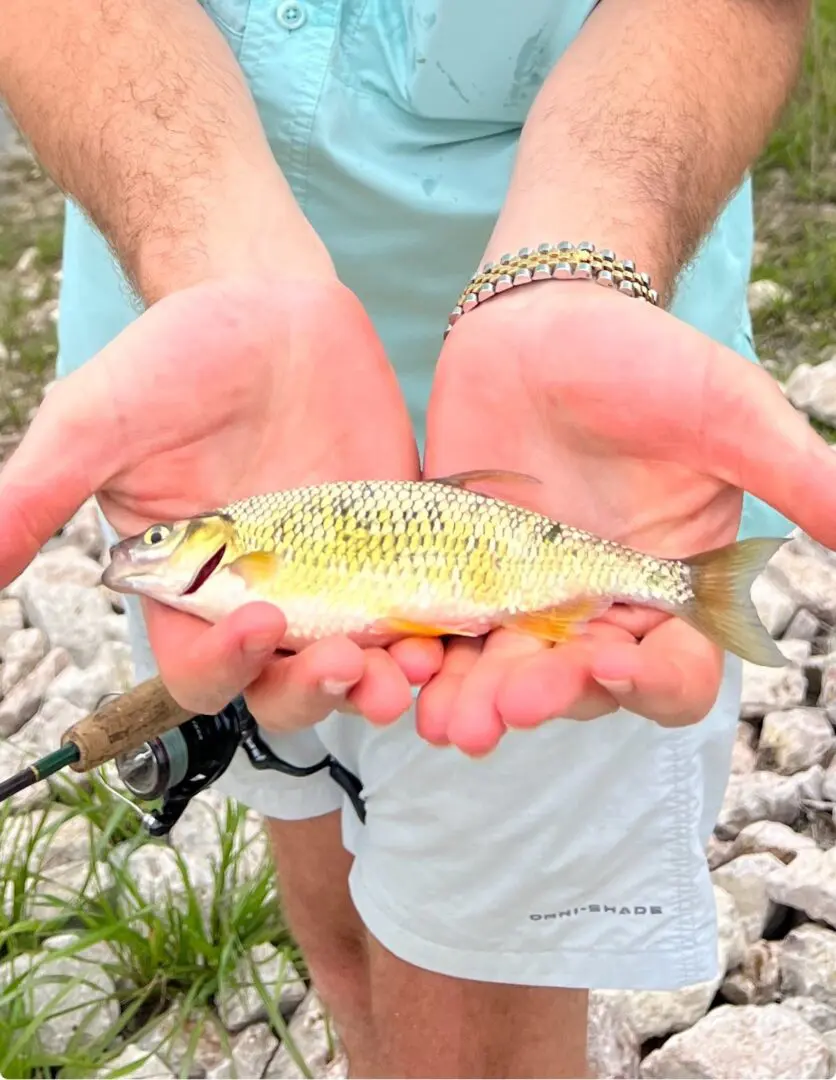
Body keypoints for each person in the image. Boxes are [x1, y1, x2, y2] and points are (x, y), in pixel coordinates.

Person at [0, 1, 829, 1076]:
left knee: (470, 1005)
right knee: (338, 920)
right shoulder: (203, 527)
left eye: (163, 556)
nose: (147, 564)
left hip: (589, 400)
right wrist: (213, 261)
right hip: (206, 382)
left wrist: (579, 256)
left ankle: (684, 582)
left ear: (212, 550)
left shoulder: (240, 553)